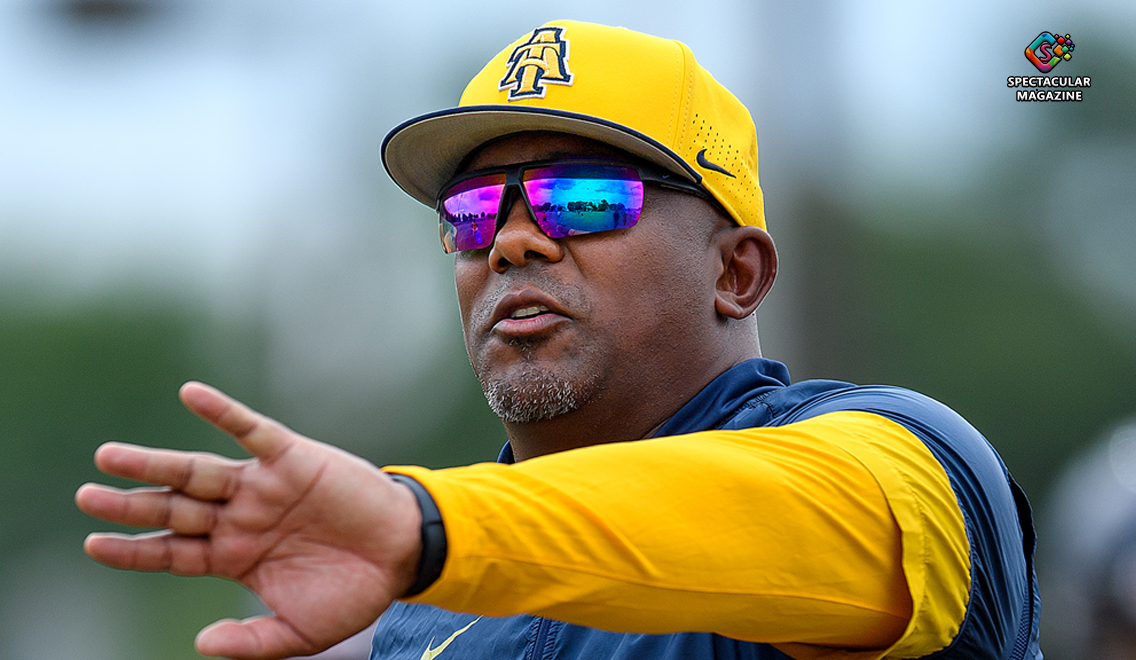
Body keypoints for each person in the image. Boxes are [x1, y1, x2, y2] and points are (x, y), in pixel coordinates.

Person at [75, 20, 1041, 660]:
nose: (511, 239)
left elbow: (779, 518)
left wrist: (427, 528)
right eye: (471, 212)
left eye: (581, 198)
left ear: (736, 271)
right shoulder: (418, 608)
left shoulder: (909, 462)